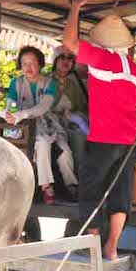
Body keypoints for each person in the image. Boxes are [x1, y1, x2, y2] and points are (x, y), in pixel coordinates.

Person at [63, 0, 136, 261]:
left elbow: (69, 43)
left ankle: (93, 246)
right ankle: (111, 247)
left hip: (102, 140)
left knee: (91, 191)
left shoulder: (100, 59)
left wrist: (75, 7)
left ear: (103, 42)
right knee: (121, 193)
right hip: (129, 142)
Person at [3, 45, 78, 204]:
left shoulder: (50, 83)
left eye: (32, 63)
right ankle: (46, 188)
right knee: (42, 143)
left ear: (40, 64)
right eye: (24, 64)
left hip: (49, 125)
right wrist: (9, 114)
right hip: (23, 128)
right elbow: (9, 106)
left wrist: (21, 114)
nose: (28, 67)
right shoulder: (16, 83)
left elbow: (44, 107)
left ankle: (71, 186)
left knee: (65, 152)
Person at [50, 46, 89, 177]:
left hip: (68, 124)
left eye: (70, 58)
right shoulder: (45, 80)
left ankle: (80, 179)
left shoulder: (73, 84)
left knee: (80, 137)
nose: (66, 61)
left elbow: (80, 106)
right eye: (62, 57)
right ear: (55, 60)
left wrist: (74, 116)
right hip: (51, 124)